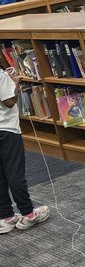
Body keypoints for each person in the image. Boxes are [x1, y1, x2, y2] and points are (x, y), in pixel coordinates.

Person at [0, 68, 51, 234]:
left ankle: (6, 217)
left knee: (0, 176)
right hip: (6, 130)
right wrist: (15, 84)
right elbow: (8, 101)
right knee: (15, 174)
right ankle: (28, 214)